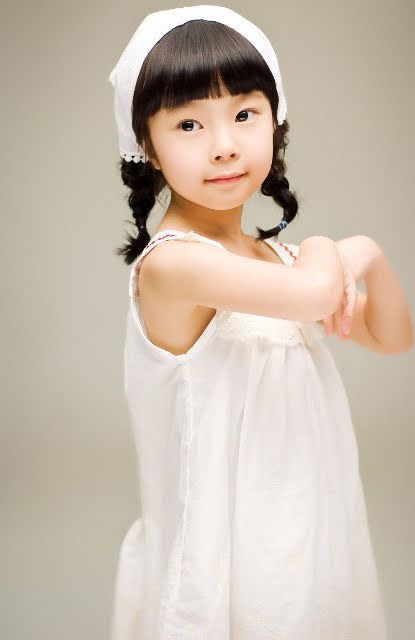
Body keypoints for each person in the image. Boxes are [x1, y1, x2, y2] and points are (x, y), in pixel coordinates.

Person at [107, 6, 412, 639]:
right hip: (228, 553)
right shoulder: (174, 264)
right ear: (149, 147)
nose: (224, 144)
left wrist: (373, 256)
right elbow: (317, 292)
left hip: (304, 532)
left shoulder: (279, 262)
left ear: (275, 122)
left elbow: (393, 337)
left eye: (245, 114)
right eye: (189, 123)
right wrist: (336, 246)